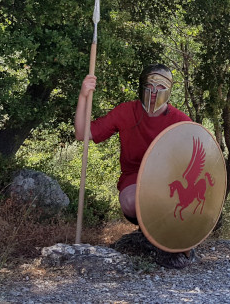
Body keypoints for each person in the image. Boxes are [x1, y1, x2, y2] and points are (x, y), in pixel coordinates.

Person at [74, 63, 194, 268]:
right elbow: (83, 133)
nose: (154, 92)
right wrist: (84, 96)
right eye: (150, 85)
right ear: (141, 86)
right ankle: (155, 234)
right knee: (131, 201)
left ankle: (176, 240)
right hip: (135, 176)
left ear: (169, 89)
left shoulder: (181, 121)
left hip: (166, 181)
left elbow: (195, 159)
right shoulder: (127, 111)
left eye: (161, 87)